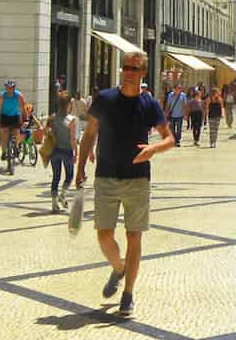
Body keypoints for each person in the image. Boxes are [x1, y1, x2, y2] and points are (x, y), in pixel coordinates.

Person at [75, 51, 174, 318]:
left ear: (143, 72)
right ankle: (119, 267)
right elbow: (89, 134)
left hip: (138, 179)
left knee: (134, 236)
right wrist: (80, 167)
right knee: (103, 235)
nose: (129, 71)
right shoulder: (105, 99)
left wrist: (153, 149)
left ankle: (128, 294)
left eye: (134, 67)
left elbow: (169, 138)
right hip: (106, 175)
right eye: (126, 67)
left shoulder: (150, 104)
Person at [48, 92, 78, 213]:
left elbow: (47, 132)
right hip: (67, 151)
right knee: (69, 176)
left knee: (56, 177)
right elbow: (73, 138)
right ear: (69, 104)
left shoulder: (52, 117)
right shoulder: (71, 120)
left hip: (55, 150)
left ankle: (54, 204)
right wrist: (76, 152)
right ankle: (63, 195)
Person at [0, 80, 26, 163]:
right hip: (4, 116)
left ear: (14, 88)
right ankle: (3, 152)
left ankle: (16, 147)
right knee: (3, 136)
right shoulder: (2, 96)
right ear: (5, 88)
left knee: (17, 133)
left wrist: (25, 119)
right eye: (8, 87)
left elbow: (23, 108)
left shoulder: (18, 95)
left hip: (15, 116)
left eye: (11, 88)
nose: (9, 89)